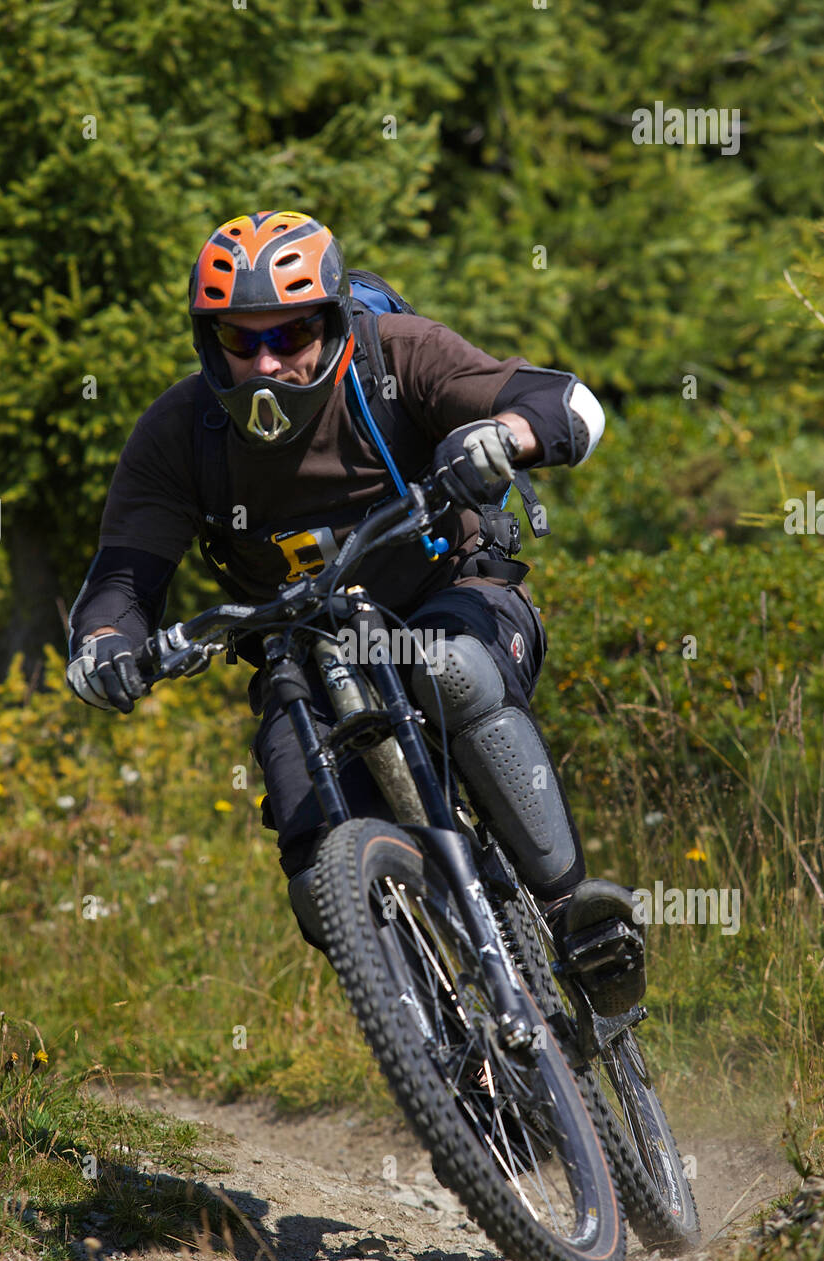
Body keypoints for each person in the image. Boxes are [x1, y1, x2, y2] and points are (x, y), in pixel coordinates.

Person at [66, 210, 643, 1016]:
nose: (266, 361)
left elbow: (568, 403)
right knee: (313, 863)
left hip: (453, 594)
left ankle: (572, 918)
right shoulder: (178, 432)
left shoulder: (398, 355)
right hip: (297, 654)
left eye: (292, 332)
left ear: (332, 321)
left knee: (452, 673)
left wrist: (503, 437)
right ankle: (441, 1042)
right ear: (209, 341)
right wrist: (104, 644)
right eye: (240, 340)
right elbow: (123, 580)